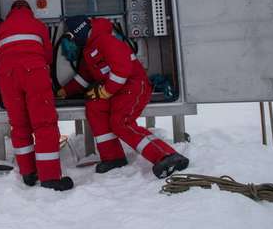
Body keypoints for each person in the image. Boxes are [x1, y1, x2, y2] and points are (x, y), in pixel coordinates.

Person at [57, 15, 189, 178]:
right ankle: (113, 158)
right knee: (94, 106)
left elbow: (122, 70)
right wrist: (65, 91)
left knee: (121, 123)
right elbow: (85, 77)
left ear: (79, 32)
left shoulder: (106, 41)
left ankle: (166, 156)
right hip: (116, 91)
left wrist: (105, 91)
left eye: (72, 36)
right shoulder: (89, 49)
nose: (71, 40)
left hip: (133, 87)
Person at [0, 0, 73, 191]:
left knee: (19, 125)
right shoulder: (38, 25)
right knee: (44, 124)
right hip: (33, 72)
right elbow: (47, 55)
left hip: (7, 77)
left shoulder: (1, 29)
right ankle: (50, 177)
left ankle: (28, 173)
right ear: (30, 11)